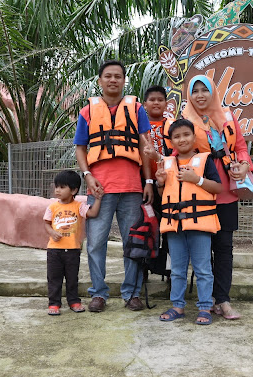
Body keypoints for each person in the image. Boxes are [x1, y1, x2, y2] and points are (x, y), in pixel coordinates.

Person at [73, 60, 155, 313]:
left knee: (133, 242)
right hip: (99, 188)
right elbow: (80, 148)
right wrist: (87, 175)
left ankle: (132, 293)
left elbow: (145, 147)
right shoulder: (87, 111)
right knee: (96, 243)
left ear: (124, 80)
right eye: (108, 76)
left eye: (118, 76)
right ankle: (98, 293)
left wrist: (148, 181)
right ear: (100, 81)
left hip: (132, 187)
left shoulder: (136, 108)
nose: (113, 80)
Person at [181, 75, 253, 320]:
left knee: (224, 248)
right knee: (202, 249)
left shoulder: (228, 116)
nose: (200, 95)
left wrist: (244, 166)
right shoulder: (184, 121)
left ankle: (222, 300)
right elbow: (177, 152)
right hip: (199, 192)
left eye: (205, 90)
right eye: (195, 91)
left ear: (213, 92)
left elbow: (240, 147)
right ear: (189, 95)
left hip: (227, 193)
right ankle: (207, 299)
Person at [155, 119, 222, 325]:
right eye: (176, 136)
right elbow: (163, 195)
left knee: (203, 269)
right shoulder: (167, 163)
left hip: (199, 225)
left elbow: (218, 188)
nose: (182, 139)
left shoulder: (205, 160)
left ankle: (205, 308)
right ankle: (177, 306)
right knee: (177, 269)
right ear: (171, 141)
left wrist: (197, 179)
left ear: (194, 137)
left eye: (186, 135)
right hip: (175, 226)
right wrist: (160, 183)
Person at [43, 170, 102, 316]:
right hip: (54, 250)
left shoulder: (78, 206)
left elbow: (93, 213)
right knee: (54, 279)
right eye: (56, 186)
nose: (57, 190)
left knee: (72, 278)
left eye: (62, 187)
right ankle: (54, 303)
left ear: (74, 190)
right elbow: (46, 224)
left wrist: (98, 199)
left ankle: (74, 301)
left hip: (73, 250)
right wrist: (52, 232)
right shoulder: (52, 207)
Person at [142, 85, 174, 280]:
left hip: (168, 183)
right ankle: (143, 269)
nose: (156, 103)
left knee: (170, 229)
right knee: (147, 226)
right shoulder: (139, 126)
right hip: (144, 183)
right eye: (152, 99)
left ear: (166, 104)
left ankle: (170, 272)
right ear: (144, 104)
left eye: (160, 100)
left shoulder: (173, 126)